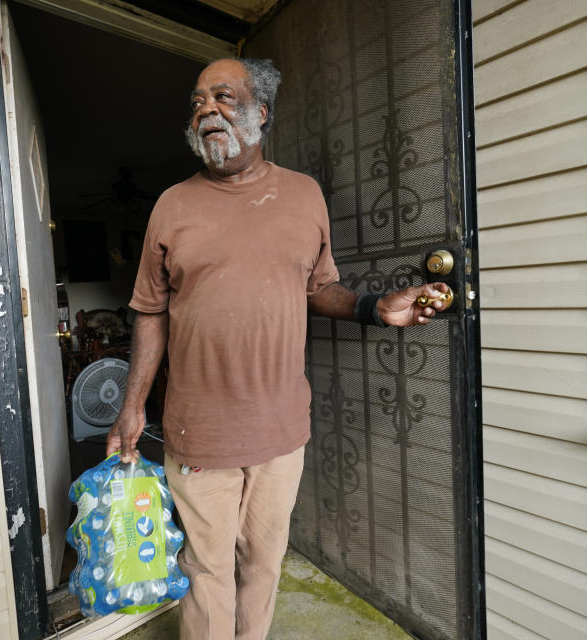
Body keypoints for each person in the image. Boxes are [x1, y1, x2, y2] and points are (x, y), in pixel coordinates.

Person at [106, 58, 449, 640]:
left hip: (280, 430)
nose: (206, 109)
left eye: (223, 96)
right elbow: (150, 311)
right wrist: (133, 405)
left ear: (260, 113)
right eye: (197, 102)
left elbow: (318, 287)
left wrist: (374, 306)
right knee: (206, 571)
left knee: (262, 566)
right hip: (199, 432)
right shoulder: (170, 206)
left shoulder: (303, 196)